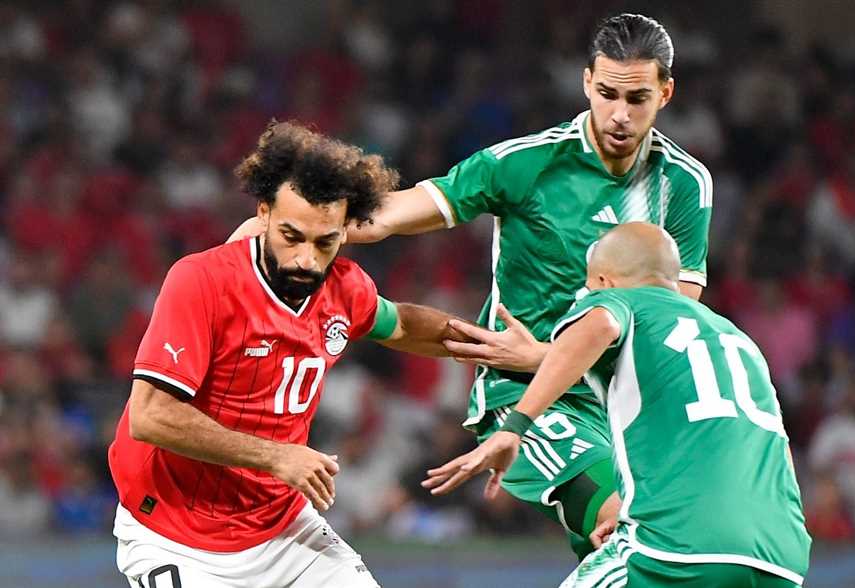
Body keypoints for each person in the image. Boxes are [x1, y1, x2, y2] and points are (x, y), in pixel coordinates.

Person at [231, 13, 712, 558]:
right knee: (629, 521)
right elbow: (387, 215)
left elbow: (673, 326)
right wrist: (290, 226)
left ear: (665, 93)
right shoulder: (525, 163)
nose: (620, 114)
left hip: (628, 400)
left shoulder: (685, 183)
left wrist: (545, 353)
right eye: (607, 94)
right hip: (527, 397)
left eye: (637, 98)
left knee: (646, 551)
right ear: (586, 83)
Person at [109, 121, 471, 588]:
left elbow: (400, 324)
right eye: (291, 236)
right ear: (263, 213)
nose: (306, 259)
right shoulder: (202, 281)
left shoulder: (344, 288)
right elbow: (150, 417)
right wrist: (277, 457)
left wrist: (490, 345)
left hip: (282, 529)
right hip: (175, 533)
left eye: (325, 242)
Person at [424, 223, 811, 587]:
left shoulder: (619, 301)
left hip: (678, 549)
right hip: (781, 557)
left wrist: (516, 425)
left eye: (589, 286)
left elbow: (602, 325)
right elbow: (778, 453)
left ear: (605, 281)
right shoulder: (739, 341)